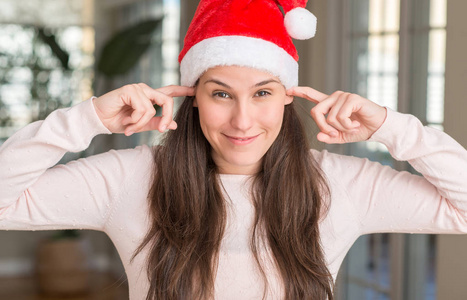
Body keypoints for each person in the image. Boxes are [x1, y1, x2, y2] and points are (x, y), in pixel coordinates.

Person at [1, 0, 466, 299]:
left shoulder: (341, 183)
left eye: (262, 93)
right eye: (221, 94)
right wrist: (87, 120)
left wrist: (388, 125)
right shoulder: (130, 177)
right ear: (191, 95)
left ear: (289, 95)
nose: (242, 121)